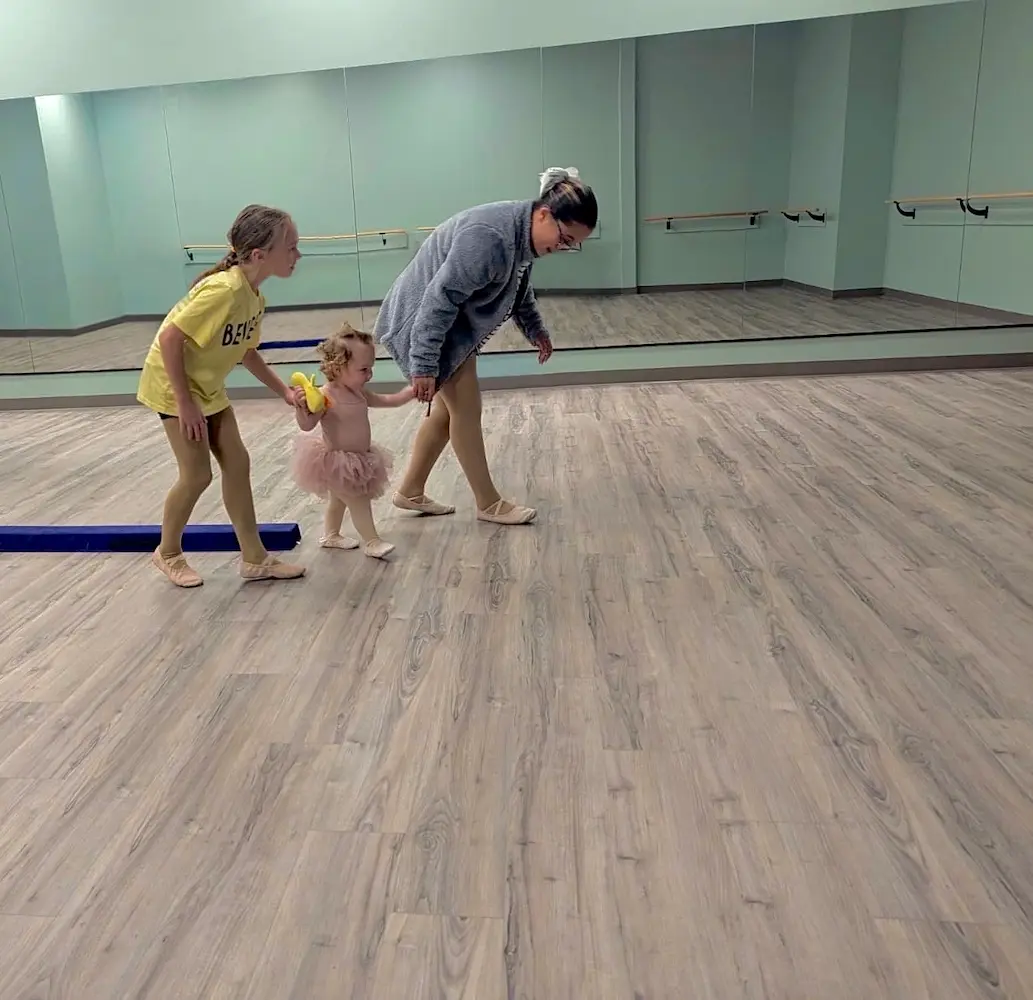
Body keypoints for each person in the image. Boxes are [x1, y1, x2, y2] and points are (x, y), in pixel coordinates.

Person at [375, 167, 598, 526]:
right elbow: (438, 300)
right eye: (565, 237)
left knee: (450, 411)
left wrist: (535, 331)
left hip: (446, 326)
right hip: (421, 324)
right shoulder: (490, 238)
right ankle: (488, 503)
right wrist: (424, 366)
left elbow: (517, 287)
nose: (564, 246)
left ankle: (410, 490)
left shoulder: (522, 236)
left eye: (573, 244)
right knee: (466, 408)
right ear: (544, 214)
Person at [136, 204, 308, 588]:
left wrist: (283, 391)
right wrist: (184, 404)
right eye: (291, 247)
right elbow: (169, 338)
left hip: (207, 388)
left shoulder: (253, 296)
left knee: (238, 463)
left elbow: (246, 352)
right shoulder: (223, 290)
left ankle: (255, 559)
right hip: (172, 386)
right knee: (197, 475)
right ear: (260, 255)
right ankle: (167, 553)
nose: (297, 255)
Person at [289, 323, 415, 559]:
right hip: (338, 462)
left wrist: (407, 393)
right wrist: (300, 407)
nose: (369, 375)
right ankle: (372, 540)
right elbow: (306, 425)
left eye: (371, 368)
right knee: (358, 501)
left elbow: (387, 400)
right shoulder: (325, 397)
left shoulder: (359, 393)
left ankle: (331, 535)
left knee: (338, 501)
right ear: (337, 368)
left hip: (359, 458)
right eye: (363, 369)